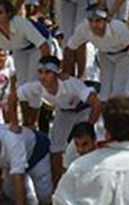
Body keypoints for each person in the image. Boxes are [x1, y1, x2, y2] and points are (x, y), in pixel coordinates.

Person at [16, 56, 101, 185]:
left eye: (48, 72)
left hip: (85, 110)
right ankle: (57, 187)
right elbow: (13, 97)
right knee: (55, 148)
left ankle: (92, 182)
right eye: (40, 72)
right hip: (63, 112)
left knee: (86, 145)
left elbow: (96, 103)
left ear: (56, 73)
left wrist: (89, 126)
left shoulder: (71, 84)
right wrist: (13, 123)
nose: (43, 77)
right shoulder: (36, 86)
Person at [66, 7, 129, 100]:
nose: (94, 25)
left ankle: (117, 110)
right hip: (105, 54)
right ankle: (105, 111)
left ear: (106, 21)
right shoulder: (83, 27)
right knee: (105, 91)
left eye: (98, 21)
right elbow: (70, 48)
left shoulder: (119, 28)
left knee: (118, 89)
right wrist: (66, 73)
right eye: (91, 21)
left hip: (124, 55)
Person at [0, 0, 52, 91]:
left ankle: (36, 105)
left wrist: (45, 70)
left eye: (0, 13)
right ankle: (26, 104)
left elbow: (44, 46)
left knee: (33, 82)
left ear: (9, 14)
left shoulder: (20, 23)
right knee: (21, 85)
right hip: (20, 48)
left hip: (38, 46)